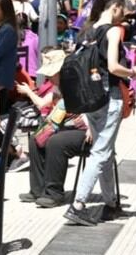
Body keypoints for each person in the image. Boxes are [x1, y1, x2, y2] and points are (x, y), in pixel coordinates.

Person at [65, 0, 136, 226]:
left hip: (90, 98)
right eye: (122, 10)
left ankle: (110, 202)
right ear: (115, 7)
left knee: (104, 150)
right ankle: (78, 204)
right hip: (109, 97)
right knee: (100, 152)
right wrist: (133, 72)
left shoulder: (86, 31)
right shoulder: (112, 31)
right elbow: (113, 65)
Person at [20, 49, 89, 208]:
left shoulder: (80, 84)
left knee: (56, 142)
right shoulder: (59, 87)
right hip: (65, 126)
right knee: (36, 138)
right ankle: (37, 189)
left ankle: (54, 193)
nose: (48, 77)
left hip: (85, 130)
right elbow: (48, 106)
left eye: (51, 73)